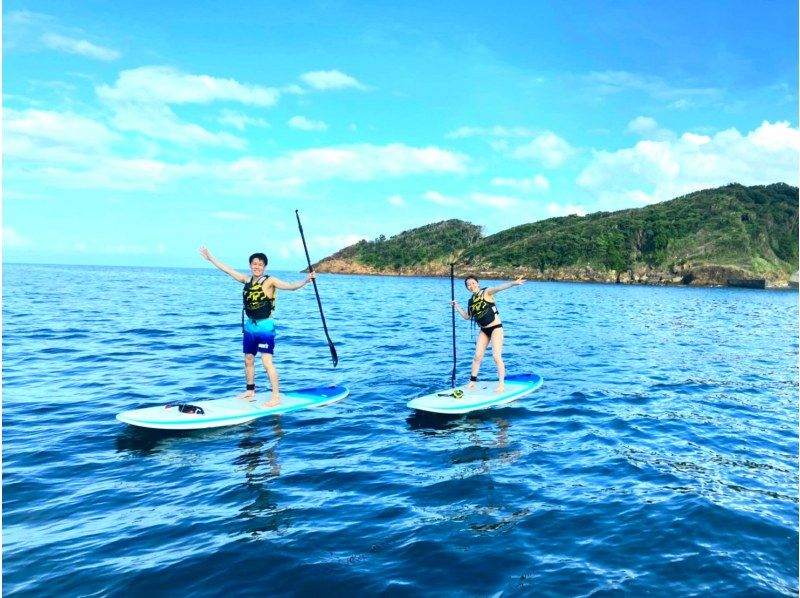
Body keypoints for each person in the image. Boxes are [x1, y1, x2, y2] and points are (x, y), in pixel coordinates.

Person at [199, 246, 315, 407]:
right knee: (248, 359)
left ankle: (275, 396)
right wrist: (211, 258)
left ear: (264, 266)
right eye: (254, 263)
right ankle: (250, 390)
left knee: (266, 362)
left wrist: (305, 280)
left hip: (265, 327)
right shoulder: (246, 280)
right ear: (250, 265)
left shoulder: (270, 281)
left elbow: (291, 286)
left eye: (260, 264)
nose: (257, 266)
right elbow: (227, 270)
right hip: (249, 327)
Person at [451, 275, 525, 392]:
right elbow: (467, 316)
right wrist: (456, 306)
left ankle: (501, 383)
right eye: (469, 285)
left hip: (496, 328)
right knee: (477, 356)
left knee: (496, 356)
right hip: (484, 330)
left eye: (473, 283)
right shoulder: (471, 301)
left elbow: (499, 288)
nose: (471, 286)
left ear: (478, 284)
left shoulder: (486, 292)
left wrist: (513, 283)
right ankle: (472, 381)